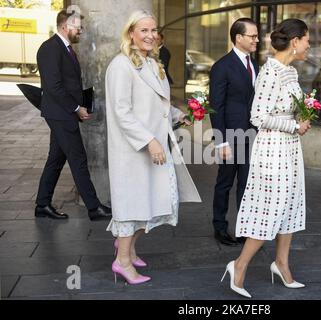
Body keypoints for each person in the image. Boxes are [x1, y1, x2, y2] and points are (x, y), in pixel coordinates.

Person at [105, 10, 201, 285]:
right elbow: (122, 112)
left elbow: (154, 103)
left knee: (157, 204)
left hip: (155, 147)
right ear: (131, 33)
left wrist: (178, 114)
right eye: (143, 30)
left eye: (153, 30)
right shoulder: (120, 66)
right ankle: (122, 261)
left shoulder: (151, 62)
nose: (150, 36)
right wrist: (150, 141)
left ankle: (128, 249)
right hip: (135, 151)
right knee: (134, 205)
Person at [220, 19, 311, 298]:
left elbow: (289, 109)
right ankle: (239, 265)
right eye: (307, 39)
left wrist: (303, 117)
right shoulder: (270, 72)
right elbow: (257, 116)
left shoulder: (291, 72)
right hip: (272, 150)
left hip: (291, 149)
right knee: (269, 210)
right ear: (295, 42)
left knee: (291, 207)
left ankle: (281, 263)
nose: (309, 45)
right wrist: (293, 126)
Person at [35, 9, 111, 221]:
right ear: (64, 26)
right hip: (60, 114)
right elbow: (54, 86)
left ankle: (42, 204)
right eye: (78, 28)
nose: (81, 31)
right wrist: (76, 108)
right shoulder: (50, 48)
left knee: (56, 159)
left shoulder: (65, 48)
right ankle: (94, 208)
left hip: (63, 113)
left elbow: (68, 83)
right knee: (78, 159)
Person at [209, 18, 259, 246]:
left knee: (247, 183)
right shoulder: (222, 66)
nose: (256, 39)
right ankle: (219, 227)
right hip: (230, 136)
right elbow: (216, 107)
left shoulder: (255, 64)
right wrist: (221, 142)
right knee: (225, 182)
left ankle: (243, 227)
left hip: (252, 136)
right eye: (252, 36)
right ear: (238, 37)